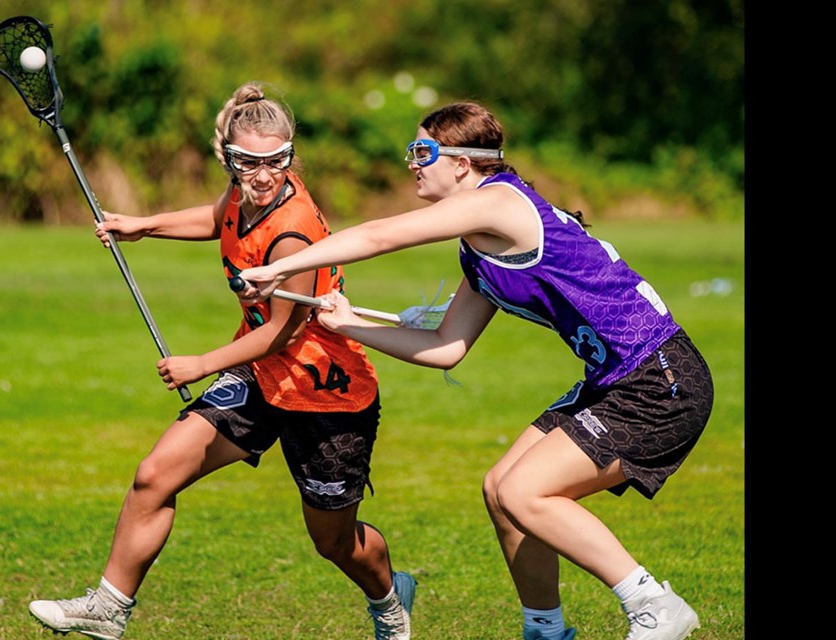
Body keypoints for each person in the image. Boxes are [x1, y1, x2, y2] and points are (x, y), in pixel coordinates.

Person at [236, 101, 714, 640]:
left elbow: (379, 236)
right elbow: (446, 347)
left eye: (423, 152)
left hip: (661, 380)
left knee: (525, 492)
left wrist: (278, 265)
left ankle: (652, 603)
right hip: (617, 380)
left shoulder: (497, 203)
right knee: (501, 491)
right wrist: (349, 327)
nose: (412, 163)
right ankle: (546, 631)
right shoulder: (480, 247)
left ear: (462, 163)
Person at [27, 82, 416, 640]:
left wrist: (201, 363)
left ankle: (388, 600)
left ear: (290, 154)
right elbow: (217, 217)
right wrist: (143, 225)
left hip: (325, 393)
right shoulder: (244, 194)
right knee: (155, 475)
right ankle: (109, 609)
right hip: (259, 378)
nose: (262, 175)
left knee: (334, 542)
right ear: (229, 158)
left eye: (276, 161)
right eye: (248, 162)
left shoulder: (293, 233)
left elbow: (282, 334)